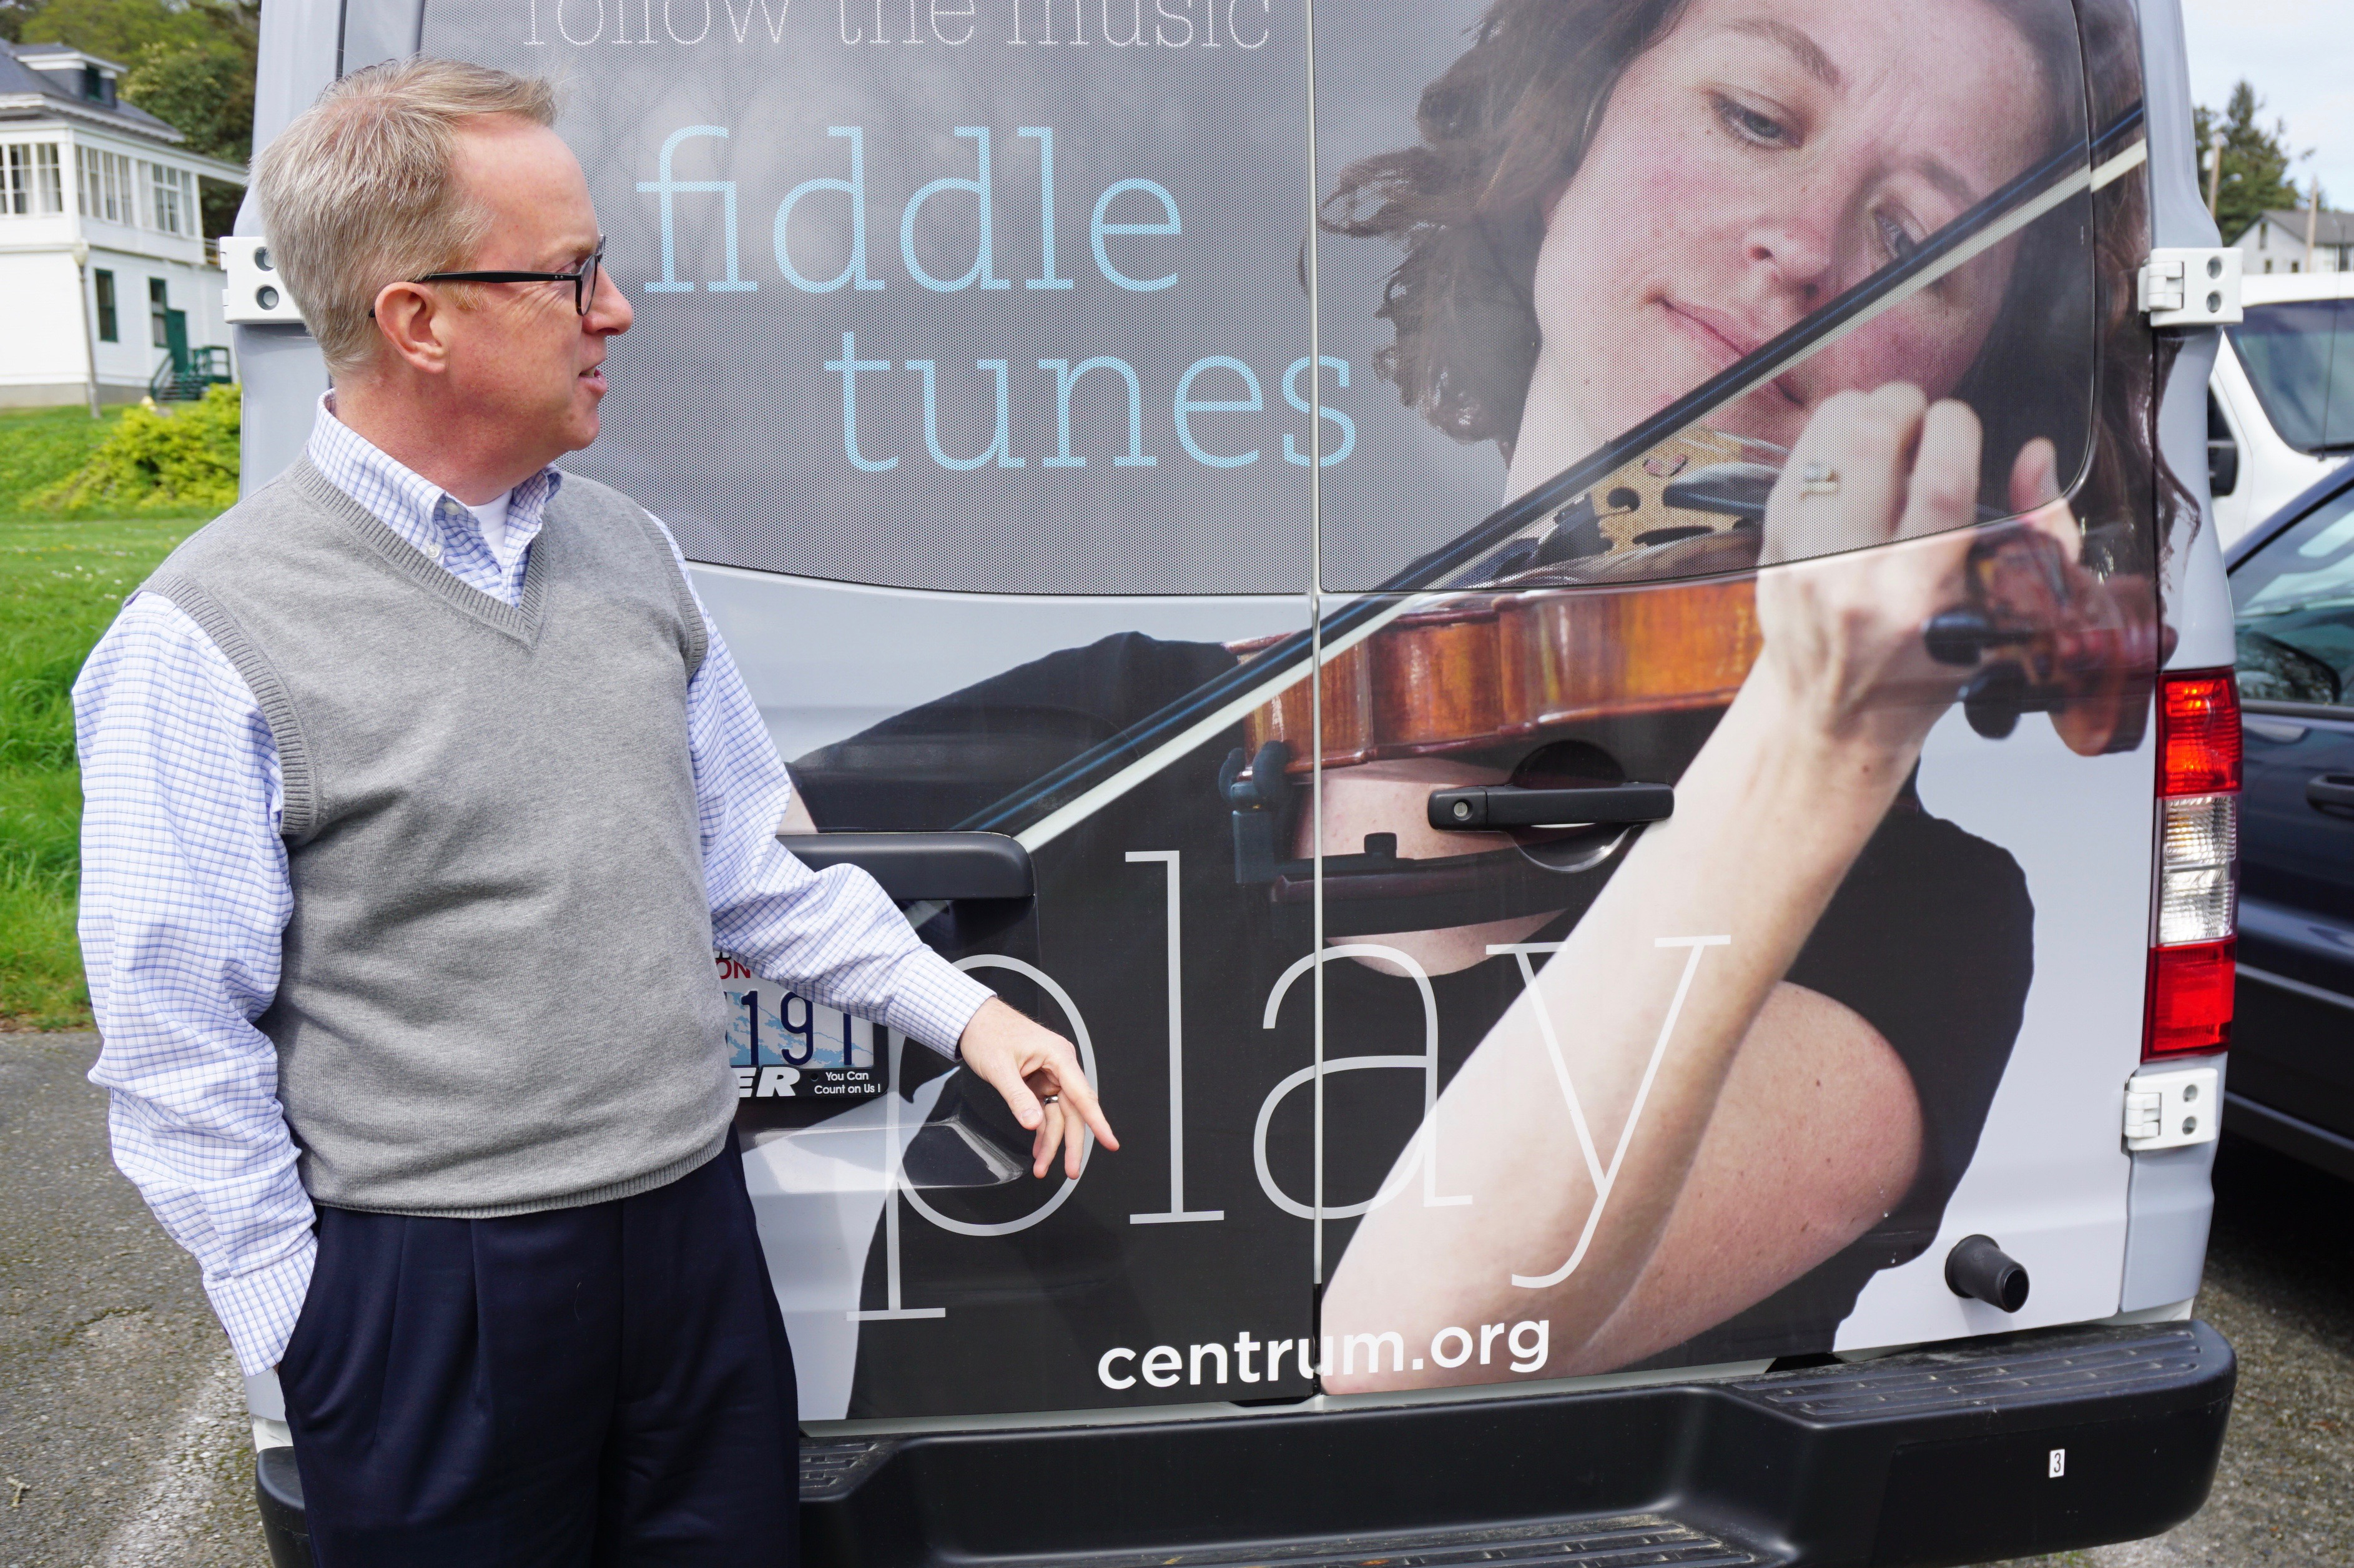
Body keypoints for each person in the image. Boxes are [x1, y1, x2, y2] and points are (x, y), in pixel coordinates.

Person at [792, 0, 2175, 1397]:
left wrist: (1821, 734)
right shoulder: (1142, 719)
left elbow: (1402, 1345)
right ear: (1566, 141)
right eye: (1755, 119)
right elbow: (706, 914)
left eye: (1913, 241)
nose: (1807, 249)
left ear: (1963, 386)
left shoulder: (1915, 921)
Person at [73, 57, 1114, 1562]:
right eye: (570, 274)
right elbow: (176, 1040)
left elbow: (748, 865)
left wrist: (968, 1015)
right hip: (426, 1297)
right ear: (418, 319)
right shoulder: (205, 637)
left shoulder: (631, 553)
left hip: (692, 1245)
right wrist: (306, 1332)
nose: (613, 311)